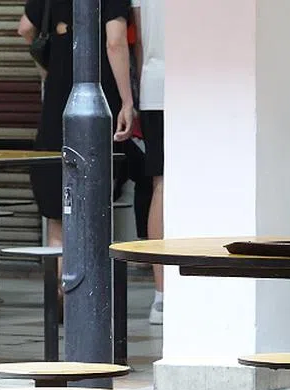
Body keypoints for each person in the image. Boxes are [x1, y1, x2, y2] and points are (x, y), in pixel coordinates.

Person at [18, 0, 136, 303]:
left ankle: (62, 296)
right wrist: (126, 100)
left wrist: (48, 69)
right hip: (97, 104)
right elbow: (114, 41)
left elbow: (26, 28)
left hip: (56, 105)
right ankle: (87, 298)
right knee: (92, 209)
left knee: (58, 214)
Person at [132, 0, 165, 325]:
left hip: (154, 86)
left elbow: (139, 40)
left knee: (161, 184)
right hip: (198, 86)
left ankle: (161, 294)